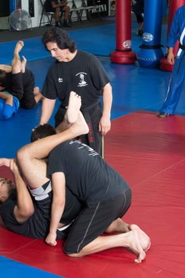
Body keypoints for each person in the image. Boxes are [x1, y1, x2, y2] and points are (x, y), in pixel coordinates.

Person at [44, 110, 151, 263]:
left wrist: (52, 232)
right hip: (125, 192)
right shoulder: (77, 144)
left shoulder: (55, 154)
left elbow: (59, 199)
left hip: (106, 199)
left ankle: (127, 239)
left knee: (73, 248)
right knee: (102, 224)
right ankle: (130, 229)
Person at [0, 92, 86, 239]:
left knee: (37, 153)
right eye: (3, 182)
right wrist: (17, 174)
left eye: (5, 179)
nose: (7, 180)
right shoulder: (6, 209)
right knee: (25, 155)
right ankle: (72, 129)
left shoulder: (22, 192)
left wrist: (8, 162)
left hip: (69, 214)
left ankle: (67, 124)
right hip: (59, 221)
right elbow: (27, 211)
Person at [40, 27, 112, 156]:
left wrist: (106, 117)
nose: (52, 55)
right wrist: (42, 124)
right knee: (62, 153)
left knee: (93, 156)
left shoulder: (89, 61)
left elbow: (106, 88)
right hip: (66, 116)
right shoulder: (54, 70)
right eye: (49, 51)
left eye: (55, 49)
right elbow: (50, 98)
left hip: (90, 113)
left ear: (64, 44)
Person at [0, 40, 43, 110]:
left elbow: (17, 95)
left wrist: (16, 52)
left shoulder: (14, 78)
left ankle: (41, 94)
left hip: (26, 80)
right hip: (14, 72)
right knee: (14, 68)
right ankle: (33, 91)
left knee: (28, 105)